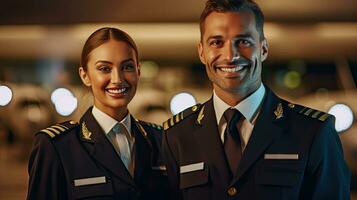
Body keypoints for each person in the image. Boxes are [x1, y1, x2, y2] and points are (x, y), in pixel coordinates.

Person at [162, 0, 350, 199]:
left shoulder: (313, 132)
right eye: (217, 42)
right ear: (201, 52)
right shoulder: (177, 136)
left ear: (263, 49)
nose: (230, 55)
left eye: (243, 41)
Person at [27, 27, 168, 200]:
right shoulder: (57, 146)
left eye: (127, 67)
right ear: (85, 75)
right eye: (104, 69)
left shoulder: (160, 140)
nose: (117, 79)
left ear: (138, 72)